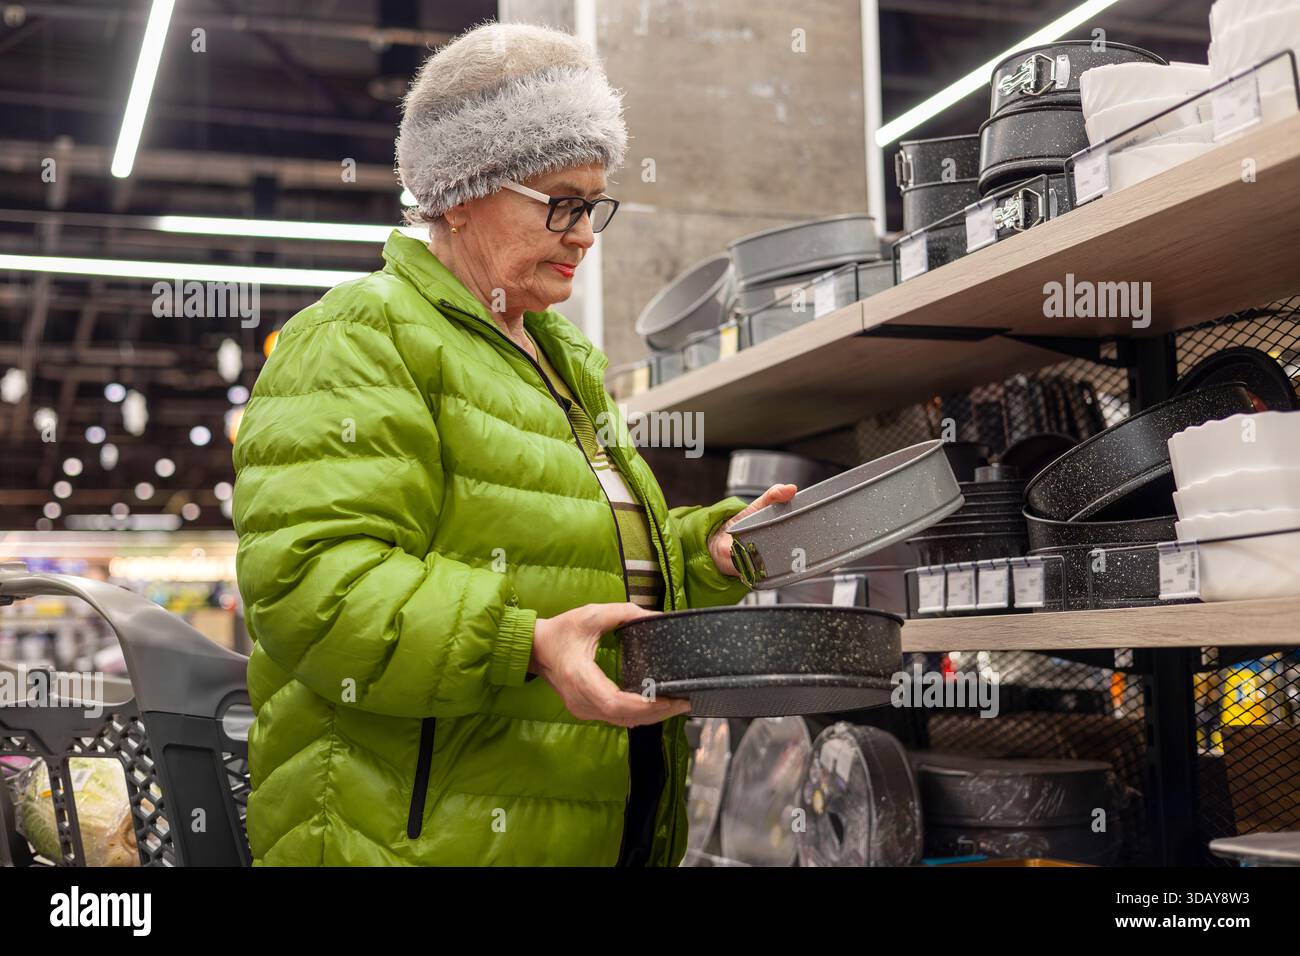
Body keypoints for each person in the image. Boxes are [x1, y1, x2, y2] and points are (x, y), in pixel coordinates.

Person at [231, 21, 794, 866]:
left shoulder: (556, 357)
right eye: (560, 203)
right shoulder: (359, 338)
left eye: (594, 204)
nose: (585, 234)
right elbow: (311, 584)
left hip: (578, 817)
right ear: (462, 190)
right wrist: (519, 645)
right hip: (403, 835)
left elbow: (573, 558)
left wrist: (707, 546)